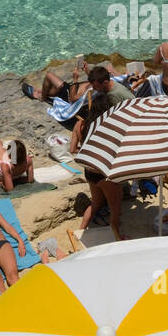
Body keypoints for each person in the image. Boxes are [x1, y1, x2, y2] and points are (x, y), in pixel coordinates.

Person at [70, 86, 124, 240]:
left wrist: (87, 150)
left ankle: (80, 232)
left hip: (89, 171)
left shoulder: (80, 125)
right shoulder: (108, 127)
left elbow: (73, 149)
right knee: (115, 208)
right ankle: (117, 236)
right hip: (104, 172)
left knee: (95, 203)